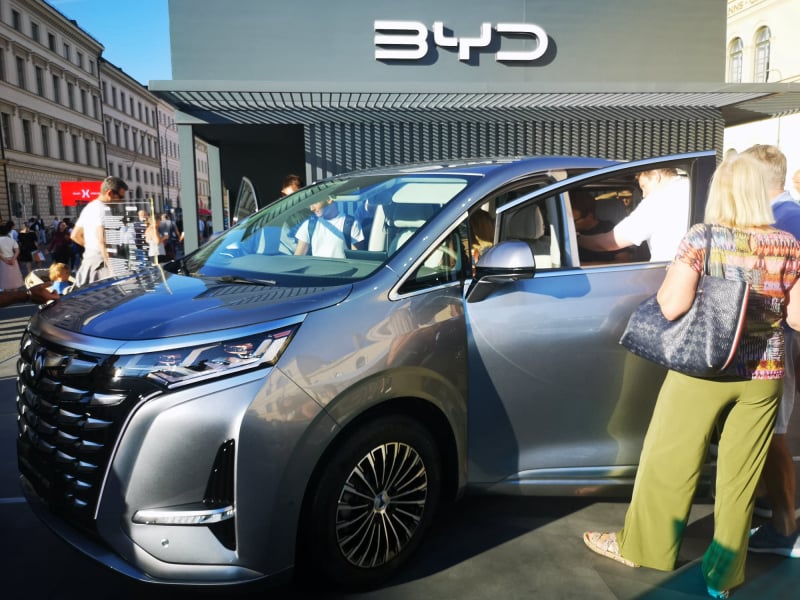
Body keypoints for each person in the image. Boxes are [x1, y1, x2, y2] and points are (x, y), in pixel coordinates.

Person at [582, 152, 800, 599]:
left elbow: (671, 305)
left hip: (704, 369)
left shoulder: (703, 237)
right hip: (764, 374)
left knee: (669, 461)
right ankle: (723, 577)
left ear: (720, 192)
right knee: (740, 478)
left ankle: (643, 548)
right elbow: (797, 318)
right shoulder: (787, 244)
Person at [742, 144, 800, 557]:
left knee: (773, 432)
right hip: (779, 340)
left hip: (779, 342)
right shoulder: (787, 217)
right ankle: (774, 511)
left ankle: (784, 528)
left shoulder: (785, 221)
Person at [578, 168, 690, 262]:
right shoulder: (692, 186)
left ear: (656, 176)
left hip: (669, 271)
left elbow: (612, 241)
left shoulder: (656, 200)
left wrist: (576, 239)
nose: (644, 195)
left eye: (644, 186)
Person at [71, 176, 128, 288]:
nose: (122, 201)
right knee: (111, 296)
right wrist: (114, 271)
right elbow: (104, 243)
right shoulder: (104, 210)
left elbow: (75, 235)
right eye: (120, 197)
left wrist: (92, 247)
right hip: (101, 265)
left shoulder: (89, 207)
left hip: (89, 262)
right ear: (110, 193)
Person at [571, 191, 631, 263]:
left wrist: (585, 266)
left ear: (589, 216)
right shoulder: (567, 232)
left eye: (574, 221)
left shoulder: (609, 230)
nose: (571, 224)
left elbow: (624, 261)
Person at [294, 197, 364, 258]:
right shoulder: (309, 224)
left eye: (314, 203)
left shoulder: (351, 224)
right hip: (316, 269)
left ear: (329, 200)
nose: (311, 208)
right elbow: (298, 258)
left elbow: (358, 260)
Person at [0, 221, 24, 291]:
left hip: (2, 261)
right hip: (13, 260)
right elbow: (17, 251)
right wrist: (13, 259)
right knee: (14, 278)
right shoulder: (11, 240)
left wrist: (5, 260)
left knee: (5, 278)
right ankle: (15, 293)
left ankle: (7, 294)